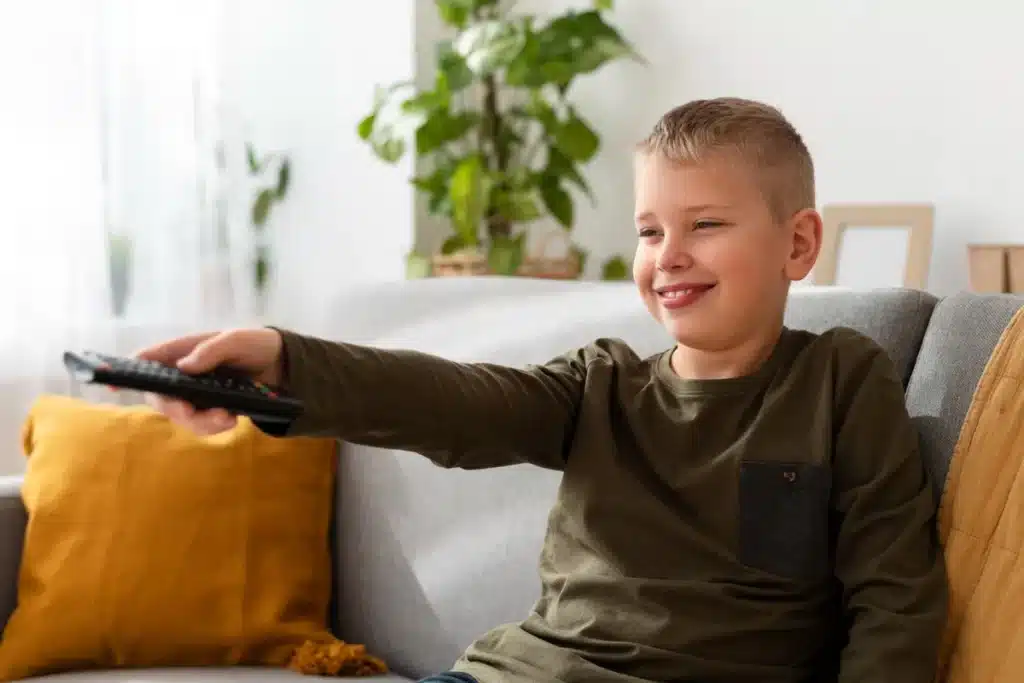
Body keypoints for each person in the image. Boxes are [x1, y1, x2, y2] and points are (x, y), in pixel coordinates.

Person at [139, 98, 948, 683]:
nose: (667, 254)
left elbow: (894, 595)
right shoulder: (600, 384)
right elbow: (452, 401)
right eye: (649, 230)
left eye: (704, 224)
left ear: (798, 243)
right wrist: (286, 363)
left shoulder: (839, 379)